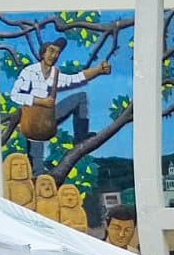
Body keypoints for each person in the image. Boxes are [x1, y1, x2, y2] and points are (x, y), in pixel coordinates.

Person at [8, 37, 112, 173]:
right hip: (33, 122)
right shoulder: (29, 72)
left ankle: (80, 137)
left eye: (57, 53)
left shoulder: (55, 74)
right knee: (37, 170)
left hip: (49, 116)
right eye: (51, 51)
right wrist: (39, 101)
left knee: (81, 97)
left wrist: (98, 70)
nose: (54, 55)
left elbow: (76, 78)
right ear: (43, 53)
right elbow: (14, 95)